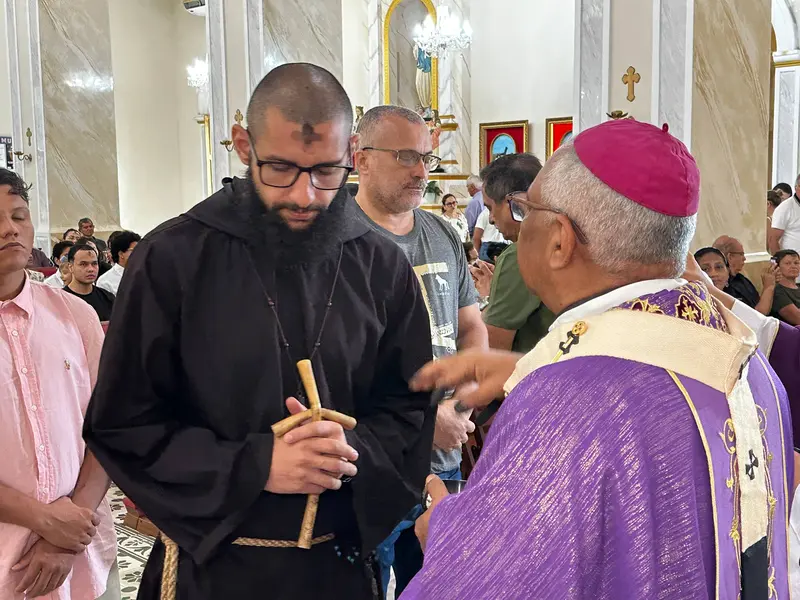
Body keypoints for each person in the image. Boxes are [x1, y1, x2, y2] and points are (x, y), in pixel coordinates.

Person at [83, 62, 436, 600]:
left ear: (352, 156)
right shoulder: (173, 259)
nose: (305, 194)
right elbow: (123, 423)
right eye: (281, 169)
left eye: (325, 171)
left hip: (335, 569)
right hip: (212, 570)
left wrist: (349, 449)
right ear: (243, 145)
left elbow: (409, 407)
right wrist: (256, 464)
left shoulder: (380, 266)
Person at [402, 119, 793, 598]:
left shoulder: (564, 405)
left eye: (528, 211)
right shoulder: (748, 362)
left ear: (561, 240)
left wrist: (444, 532)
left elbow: (482, 580)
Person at [352, 104, 487, 595]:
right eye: (406, 156)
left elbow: (471, 329)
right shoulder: (337, 239)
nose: (421, 171)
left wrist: (460, 402)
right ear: (359, 157)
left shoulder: (440, 233)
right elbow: (335, 363)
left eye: (427, 157)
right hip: (370, 464)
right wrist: (423, 423)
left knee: (433, 586)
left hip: (442, 460)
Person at [0, 168, 118, 600]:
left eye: (19, 215)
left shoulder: (75, 316)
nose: (10, 229)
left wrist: (69, 528)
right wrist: (44, 520)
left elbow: (106, 427)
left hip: (83, 551)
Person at [480, 153, 555, 353]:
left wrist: (489, 303)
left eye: (490, 208)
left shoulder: (520, 254)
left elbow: (493, 351)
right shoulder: (563, 238)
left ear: (514, 203)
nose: (492, 220)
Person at [711, 235, 777, 315]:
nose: (744, 258)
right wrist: (769, 286)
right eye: (741, 254)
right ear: (730, 257)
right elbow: (757, 316)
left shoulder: (741, 279)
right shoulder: (720, 285)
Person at [62, 244, 115, 322]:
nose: (91, 269)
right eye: (83, 264)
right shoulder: (61, 300)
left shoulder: (108, 298)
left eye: (94, 264)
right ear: (71, 267)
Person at [96, 230, 140, 295]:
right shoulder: (105, 281)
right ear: (121, 254)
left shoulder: (145, 273)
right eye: (134, 250)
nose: (139, 254)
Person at [770, 174, 800, 256]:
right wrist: (778, 263)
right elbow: (773, 240)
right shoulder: (784, 208)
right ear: (796, 187)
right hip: (792, 263)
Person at [772, 249, 800, 324]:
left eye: (796, 263)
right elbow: (797, 318)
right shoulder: (777, 291)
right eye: (788, 263)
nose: (793, 266)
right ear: (777, 267)